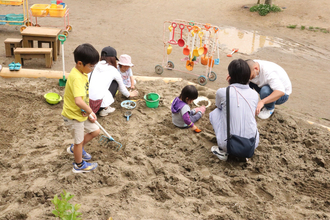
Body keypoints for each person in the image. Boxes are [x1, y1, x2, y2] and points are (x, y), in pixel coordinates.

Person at [210, 59, 259, 161]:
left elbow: (218, 106)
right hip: (251, 145)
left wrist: (229, 84)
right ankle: (243, 155)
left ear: (230, 75)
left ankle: (223, 152)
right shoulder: (254, 95)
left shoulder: (223, 92)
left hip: (228, 144)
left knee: (215, 112)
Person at [61, 43, 100, 173]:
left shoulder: (81, 72)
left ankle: (75, 149)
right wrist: (90, 111)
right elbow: (78, 101)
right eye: (91, 66)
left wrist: (86, 110)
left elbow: (80, 99)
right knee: (78, 141)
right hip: (73, 116)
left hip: (81, 113)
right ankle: (78, 165)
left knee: (95, 131)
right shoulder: (77, 77)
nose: (93, 68)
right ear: (79, 63)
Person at [88, 47, 138, 116]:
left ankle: (103, 107)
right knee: (115, 83)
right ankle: (105, 109)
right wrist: (128, 94)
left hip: (86, 105)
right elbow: (121, 87)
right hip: (97, 106)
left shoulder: (94, 65)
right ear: (113, 59)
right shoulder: (113, 70)